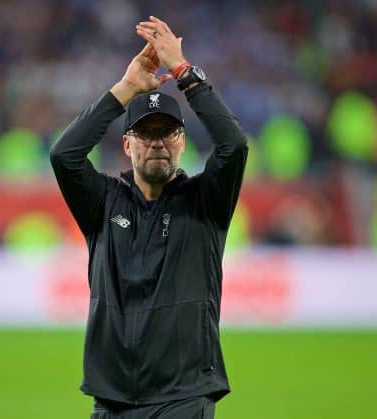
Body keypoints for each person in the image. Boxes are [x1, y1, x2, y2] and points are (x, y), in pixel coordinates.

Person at [50, 16, 248, 419]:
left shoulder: (205, 202)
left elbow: (234, 145)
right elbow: (64, 156)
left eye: (167, 131)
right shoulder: (103, 203)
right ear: (127, 144)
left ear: (181, 142)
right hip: (112, 401)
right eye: (145, 133)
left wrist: (184, 73)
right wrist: (124, 90)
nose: (157, 141)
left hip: (183, 398)